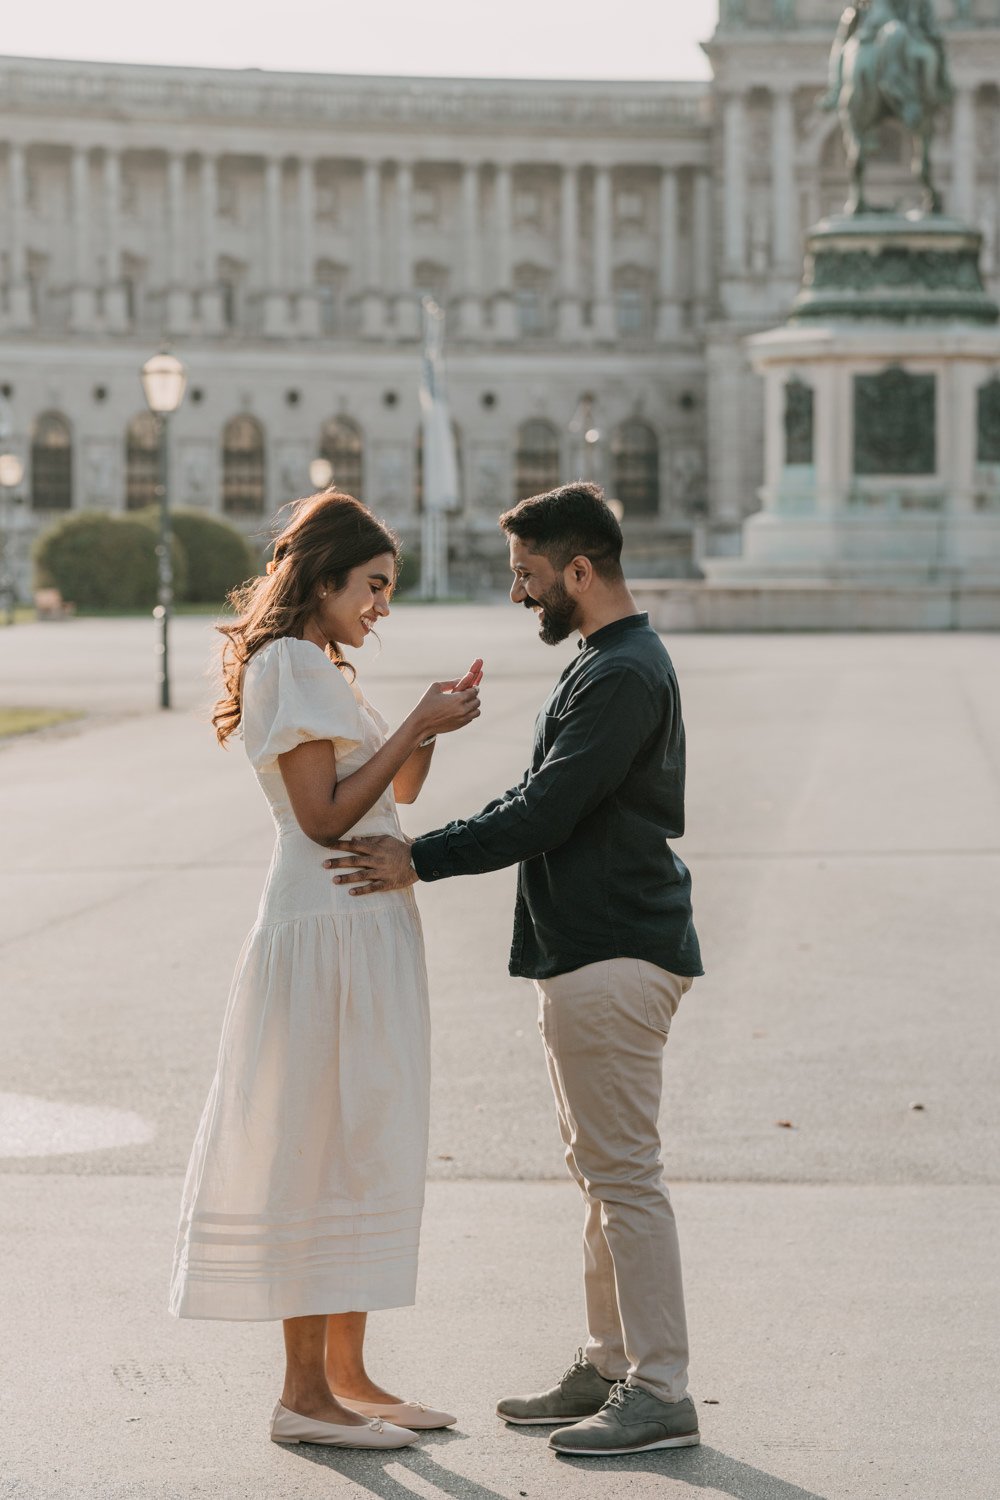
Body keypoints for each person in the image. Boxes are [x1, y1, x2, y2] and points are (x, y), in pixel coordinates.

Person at [325, 482, 704, 1457]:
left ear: (579, 570)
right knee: (601, 1172)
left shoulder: (621, 674)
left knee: (623, 1176)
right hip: (591, 946)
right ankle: (611, 1363)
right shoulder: (605, 663)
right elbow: (538, 795)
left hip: (614, 948)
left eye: (528, 575)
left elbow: (545, 810)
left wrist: (419, 855)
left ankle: (659, 1388)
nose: (517, 593)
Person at [169, 490, 483, 1451]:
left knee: (360, 1139)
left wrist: (429, 726)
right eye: (373, 586)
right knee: (315, 1144)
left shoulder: (325, 666)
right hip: (324, 924)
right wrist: (413, 718)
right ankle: (302, 1397)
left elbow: (396, 788)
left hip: (363, 926)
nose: (383, 605)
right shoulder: (288, 663)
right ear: (324, 579)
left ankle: (349, 1378)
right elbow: (323, 817)